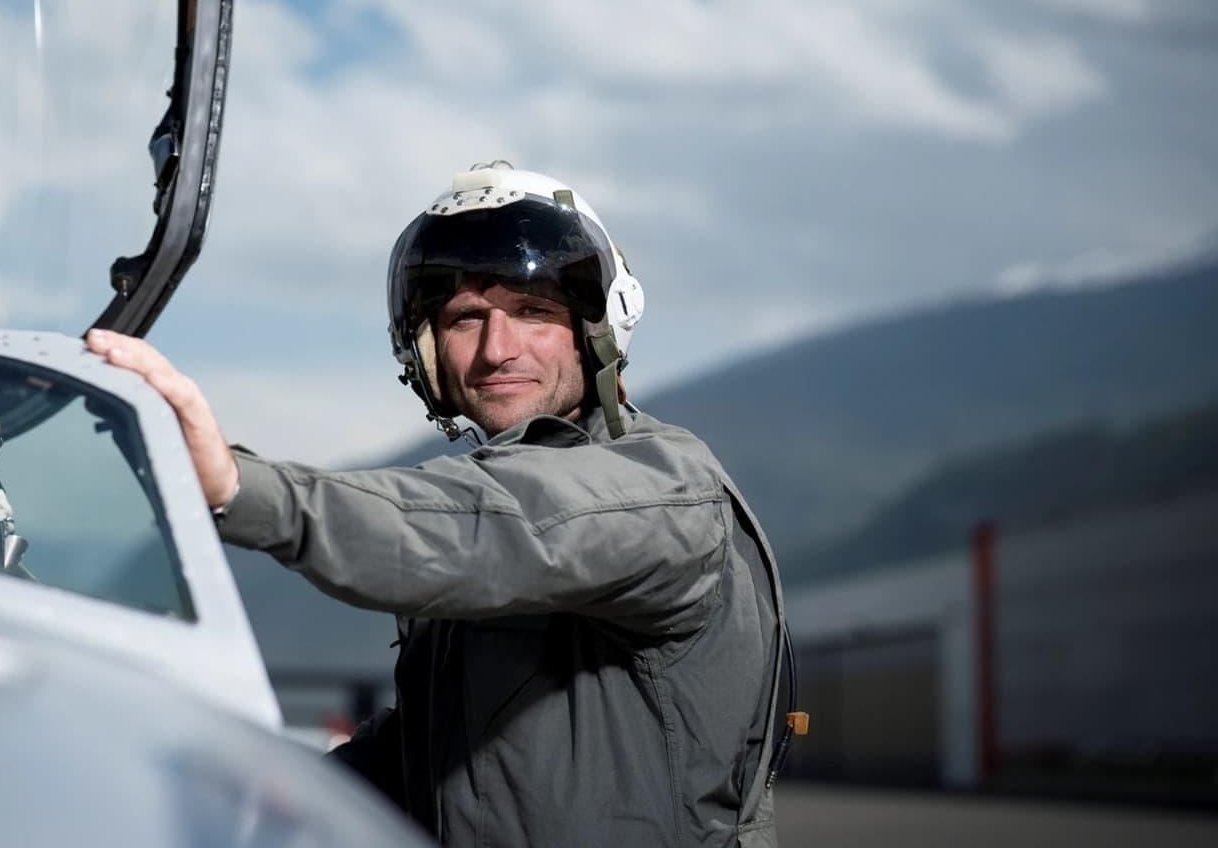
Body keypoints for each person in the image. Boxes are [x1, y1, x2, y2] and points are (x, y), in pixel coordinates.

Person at [87, 162, 796, 847]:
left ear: (596, 330)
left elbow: (504, 525)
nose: (497, 349)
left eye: (533, 312)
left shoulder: (664, 487)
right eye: (464, 319)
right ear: (428, 354)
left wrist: (241, 488)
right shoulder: (488, 497)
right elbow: (442, 757)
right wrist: (264, 793)